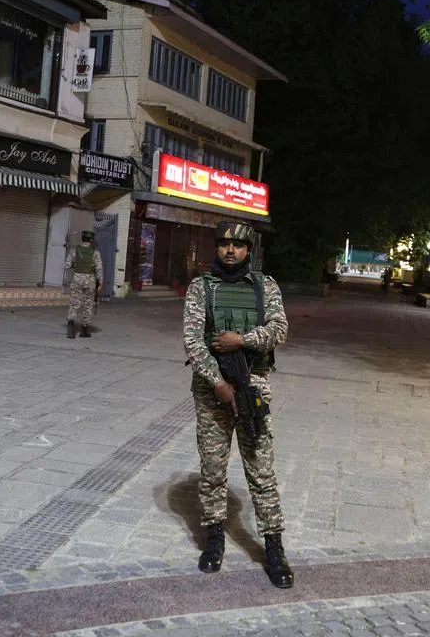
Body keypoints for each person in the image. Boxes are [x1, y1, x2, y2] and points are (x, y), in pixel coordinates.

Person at [182, 220, 293, 589]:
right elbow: (193, 341)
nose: (231, 250)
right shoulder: (201, 287)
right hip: (212, 389)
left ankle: (273, 546)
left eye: (238, 245)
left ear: (249, 250)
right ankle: (214, 538)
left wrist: (241, 339)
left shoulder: (266, 286)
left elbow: (279, 329)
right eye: (225, 244)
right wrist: (218, 384)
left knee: (261, 471)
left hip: (253, 386)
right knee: (212, 468)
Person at [65, 230, 103, 338]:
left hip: (77, 279)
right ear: (91, 240)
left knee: (74, 304)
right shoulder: (95, 253)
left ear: (82, 239)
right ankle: (84, 331)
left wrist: (76, 267)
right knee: (88, 305)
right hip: (89, 281)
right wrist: (100, 282)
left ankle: (70, 330)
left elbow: (67, 265)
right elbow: (99, 269)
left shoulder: (74, 250)